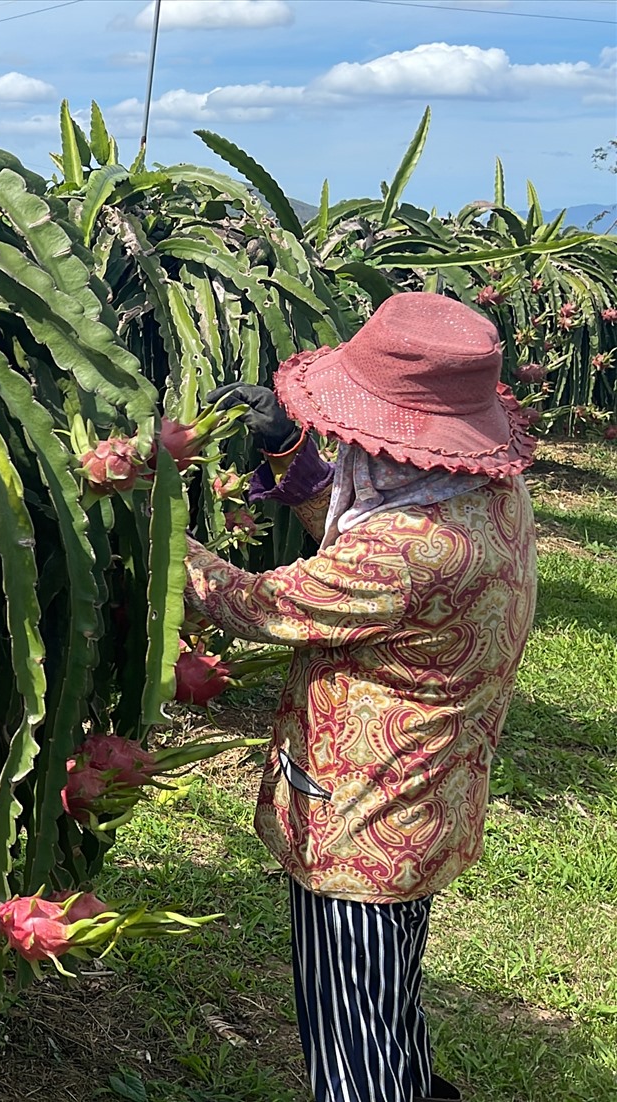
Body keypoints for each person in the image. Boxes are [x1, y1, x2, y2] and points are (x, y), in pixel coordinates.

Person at [189, 293, 536, 1102]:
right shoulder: (483, 495)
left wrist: (156, 521)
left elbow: (260, 604)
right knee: (385, 1003)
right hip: (426, 798)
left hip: (365, 825)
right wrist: (287, 456)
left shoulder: (415, 548)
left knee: (350, 1037)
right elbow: (359, 541)